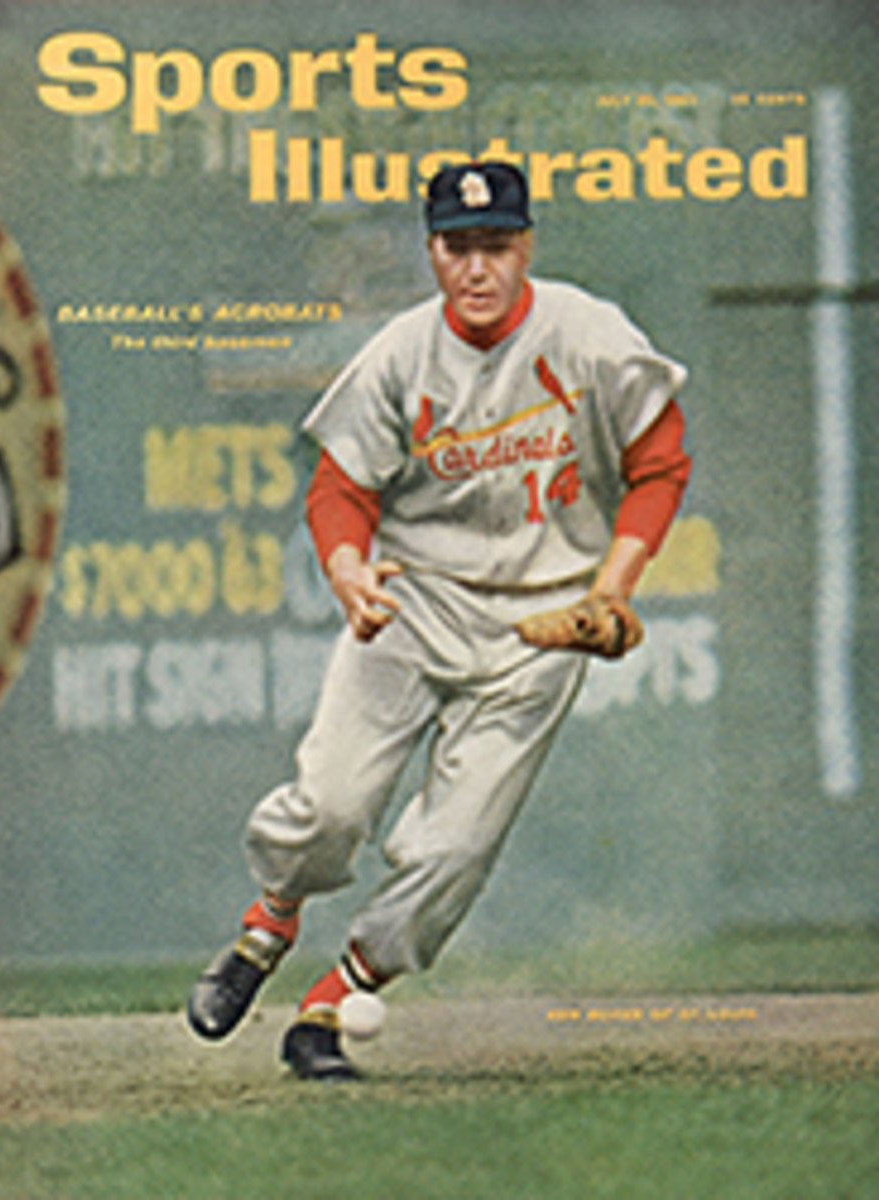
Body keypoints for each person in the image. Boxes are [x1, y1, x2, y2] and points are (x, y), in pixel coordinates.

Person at [187, 161, 692, 1080]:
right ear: (431, 253)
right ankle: (268, 925)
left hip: (542, 625)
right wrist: (347, 572)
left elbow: (660, 462)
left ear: (526, 244)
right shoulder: (401, 353)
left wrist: (612, 587)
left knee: (453, 852)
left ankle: (328, 1006)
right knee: (330, 807)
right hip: (413, 603)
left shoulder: (588, 336)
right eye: (459, 247)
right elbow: (340, 487)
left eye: (496, 244)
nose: (478, 267)